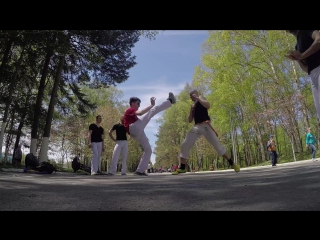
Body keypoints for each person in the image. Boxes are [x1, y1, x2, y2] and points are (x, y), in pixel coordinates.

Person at [172, 89, 240, 175]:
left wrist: (198, 98)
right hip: (196, 127)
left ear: (195, 94)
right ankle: (182, 167)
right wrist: (191, 110)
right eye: (190, 96)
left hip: (205, 125)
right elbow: (190, 120)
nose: (190, 97)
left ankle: (232, 163)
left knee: (216, 144)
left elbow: (208, 106)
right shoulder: (193, 105)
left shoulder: (201, 98)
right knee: (185, 144)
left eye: (191, 95)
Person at [123, 92, 176, 176]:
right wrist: (151, 105)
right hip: (134, 128)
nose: (139, 105)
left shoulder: (131, 114)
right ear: (132, 103)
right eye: (138, 103)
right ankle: (170, 101)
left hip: (135, 132)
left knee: (148, 150)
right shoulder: (129, 109)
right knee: (152, 111)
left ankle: (139, 170)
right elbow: (140, 113)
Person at [285, 30, 320, 121]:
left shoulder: (307, 31)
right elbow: (306, 69)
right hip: (313, 76)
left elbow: (318, 40)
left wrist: (301, 55)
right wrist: (297, 59)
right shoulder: (297, 46)